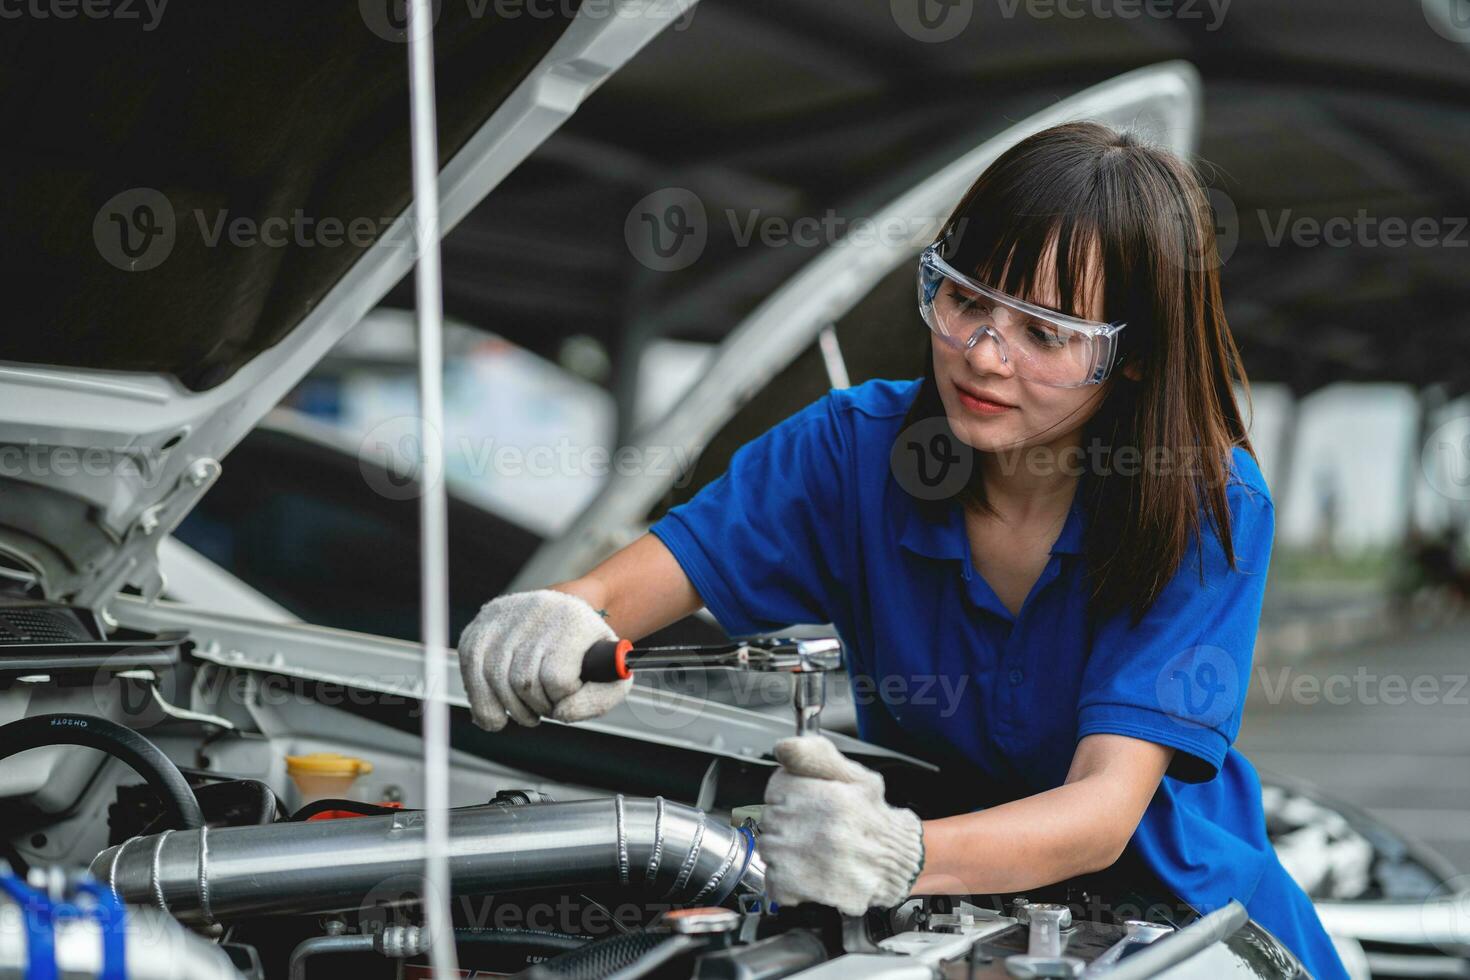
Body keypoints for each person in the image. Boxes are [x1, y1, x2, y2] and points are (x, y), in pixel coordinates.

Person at [458, 122, 1347, 979]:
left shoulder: (1205, 503)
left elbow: (1101, 814)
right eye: (964, 299)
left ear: (1137, 359)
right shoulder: (850, 453)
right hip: (944, 918)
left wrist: (899, 852)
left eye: (1044, 333)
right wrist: (560, 619)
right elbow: (620, 592)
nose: (982, 356)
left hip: (1189, 938)